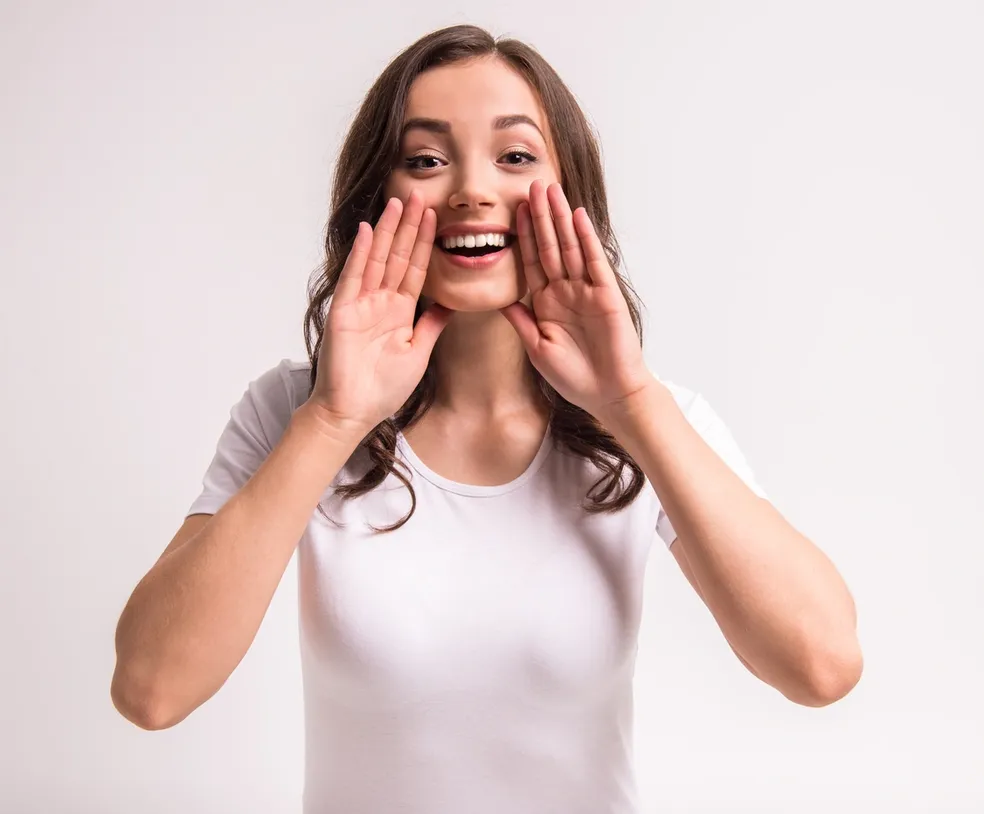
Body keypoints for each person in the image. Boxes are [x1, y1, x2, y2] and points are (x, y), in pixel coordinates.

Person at [111, 24, 862, 814]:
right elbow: (152, 689)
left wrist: (630, 405)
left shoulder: (650, 418)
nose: (472, 190)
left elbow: (821, 666)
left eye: (515, 157)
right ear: (377, 198)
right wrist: (334, 418)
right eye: (427, 160)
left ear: (571, 197)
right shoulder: (292, 412)